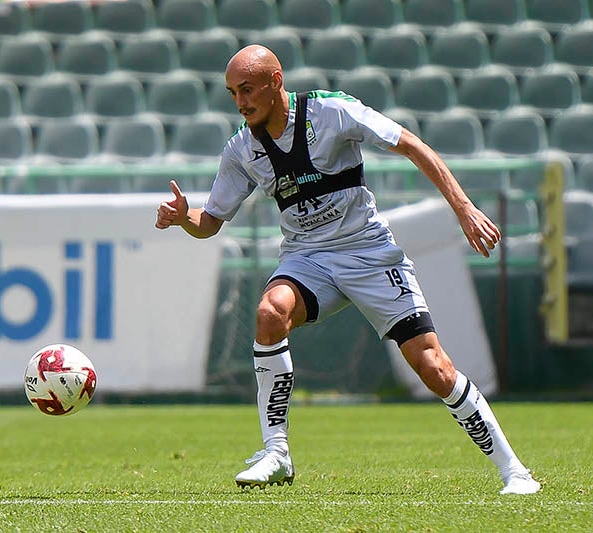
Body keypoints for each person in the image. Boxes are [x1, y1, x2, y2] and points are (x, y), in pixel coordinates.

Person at [155, 45, 541, 495]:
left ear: (275, 81)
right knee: (269, 312)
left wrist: (463, 208)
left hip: (368, 253)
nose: (240, 102)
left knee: (433, 368)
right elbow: (212, 223)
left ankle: (514, 470)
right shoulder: (241, 148)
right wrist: (185, 218)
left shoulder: (332, 111)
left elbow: (411, 145)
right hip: (309, 259)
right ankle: (276, 452)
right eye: (232, 94)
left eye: (246, 90)